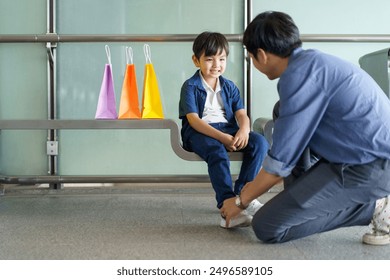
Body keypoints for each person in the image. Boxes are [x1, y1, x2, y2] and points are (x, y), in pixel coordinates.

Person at [221, 11, 390, 245]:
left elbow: (278, 165)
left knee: (266, 225)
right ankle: (300, 200)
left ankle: (376, 207)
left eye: (250, 57)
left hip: (371, 167)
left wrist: (240, 201)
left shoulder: (300, 77)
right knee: (281, 110)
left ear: (261, 55)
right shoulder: (310, 63)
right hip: (355, 157)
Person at [179, 32, 269, 228]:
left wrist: (243, 131)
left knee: (260, 143)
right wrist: (222, 138)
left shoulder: (229, 86)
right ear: (196, 60)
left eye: (221, 59)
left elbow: (242, 115)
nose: (216, 65)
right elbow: (193, 120)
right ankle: (227, 204)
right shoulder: (190, 86)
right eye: (209, 59)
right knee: (216, 151)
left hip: (228, 129)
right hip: (198, 132)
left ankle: (245, 196)